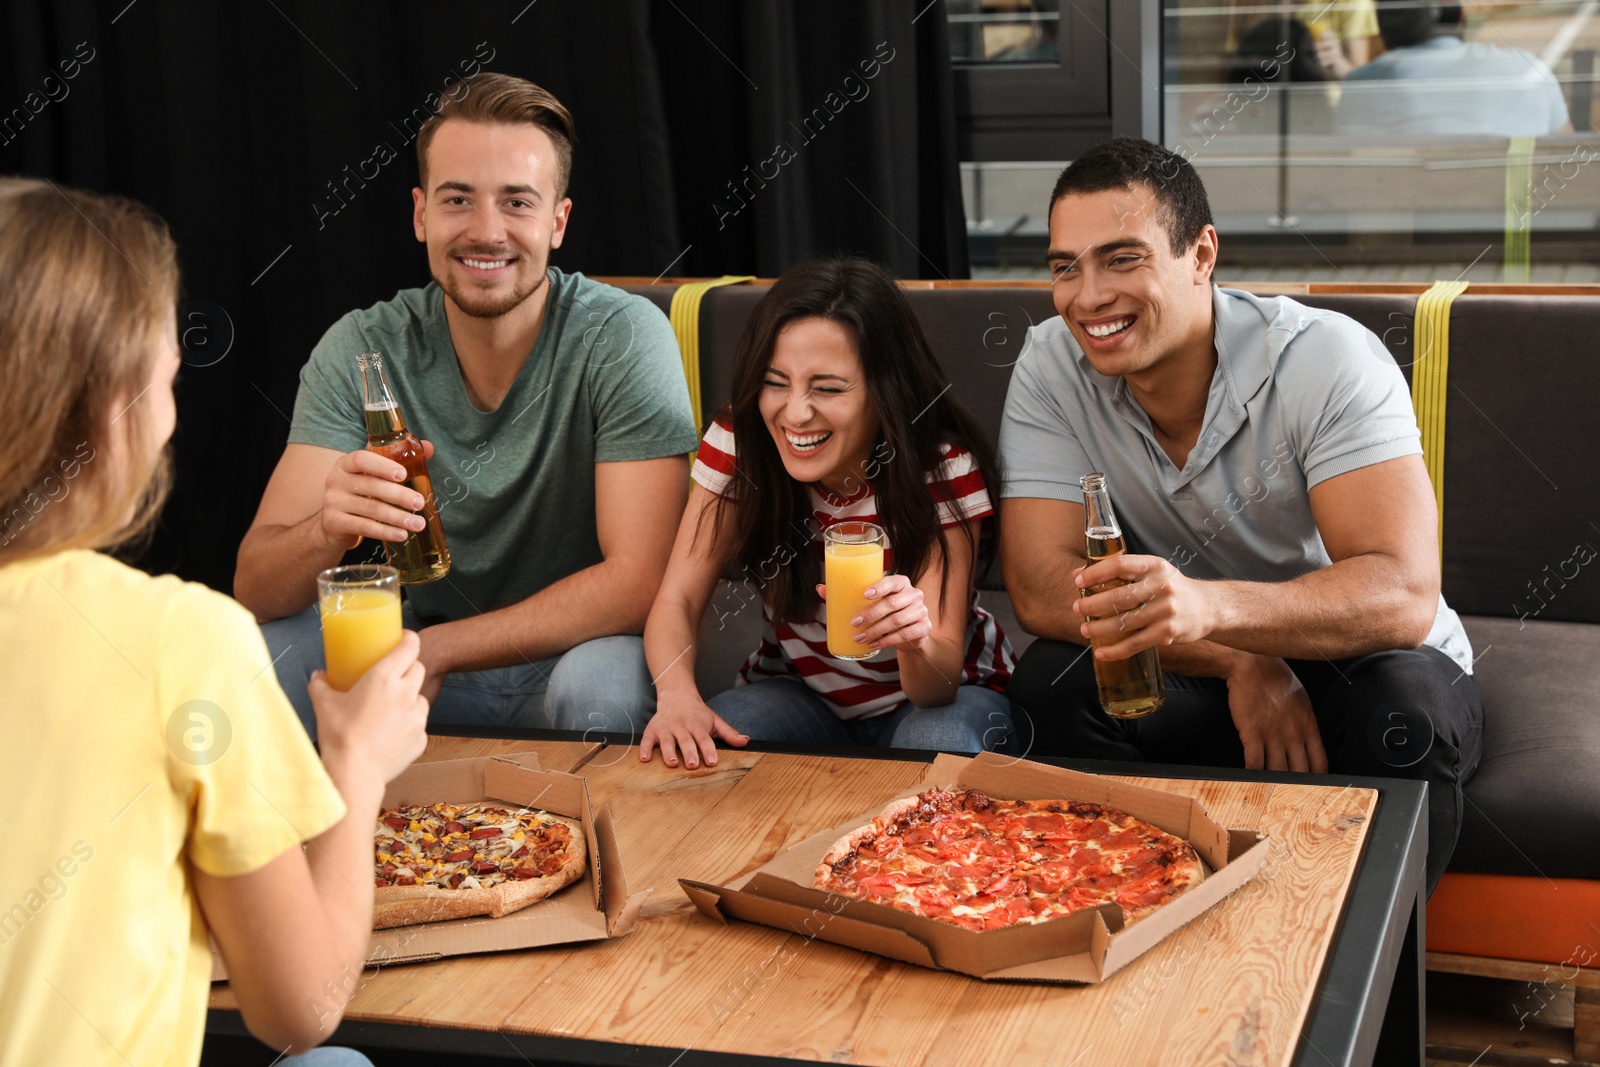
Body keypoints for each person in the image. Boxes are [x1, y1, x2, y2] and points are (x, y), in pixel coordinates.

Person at [0, 180, 428, 1065]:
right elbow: (299, 1006)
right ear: (111, 403)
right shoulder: (177, 641)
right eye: (165, 376)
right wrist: (358, 760)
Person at [999, 138, 1482, 893]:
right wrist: (1235, 653)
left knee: (1406, 712)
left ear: (1201, 254)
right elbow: (1036, 584)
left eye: (1122, 259)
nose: (1087, 296)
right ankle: (1141, 922)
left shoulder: (1326, 359)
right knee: (1050, 684)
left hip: (1361, 660)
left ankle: (1359, 997)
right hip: (1203, 667)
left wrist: (1210, 606)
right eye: (1066, 266)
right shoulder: (1051, 365)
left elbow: (1401, 592)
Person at [236, 72, 699, 740]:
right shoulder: (361, 347)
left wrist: (444, 648)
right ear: (421, 213)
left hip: (559, 658)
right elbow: (254, 587)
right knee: (266, 650)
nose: (487, 232)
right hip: (410, 665)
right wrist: (327, 531)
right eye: (459, 200)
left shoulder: (621, 336)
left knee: (600, 684)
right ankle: (335, 845)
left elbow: (639, 580)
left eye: (517, 203)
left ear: (557, 222)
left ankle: (597, 846)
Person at [639, 258, 1014, 768]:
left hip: (946, 695)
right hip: (799, 693)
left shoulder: (942, 470)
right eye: (776, 382)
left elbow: (938, 679)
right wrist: (678, 697)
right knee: (711, 754)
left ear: (886, 392)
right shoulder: (741, 443)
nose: (795, 413)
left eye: (829, 388)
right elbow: (677, 599)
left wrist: (913, 640)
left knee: (938, 748)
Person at [1336, 0, 1571, 137]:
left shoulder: (1362, 85)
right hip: (1516, 220)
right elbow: (1568, 152)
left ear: (1384, 28)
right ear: (1457, 18)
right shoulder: (1529, 71)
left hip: (1413, 217)